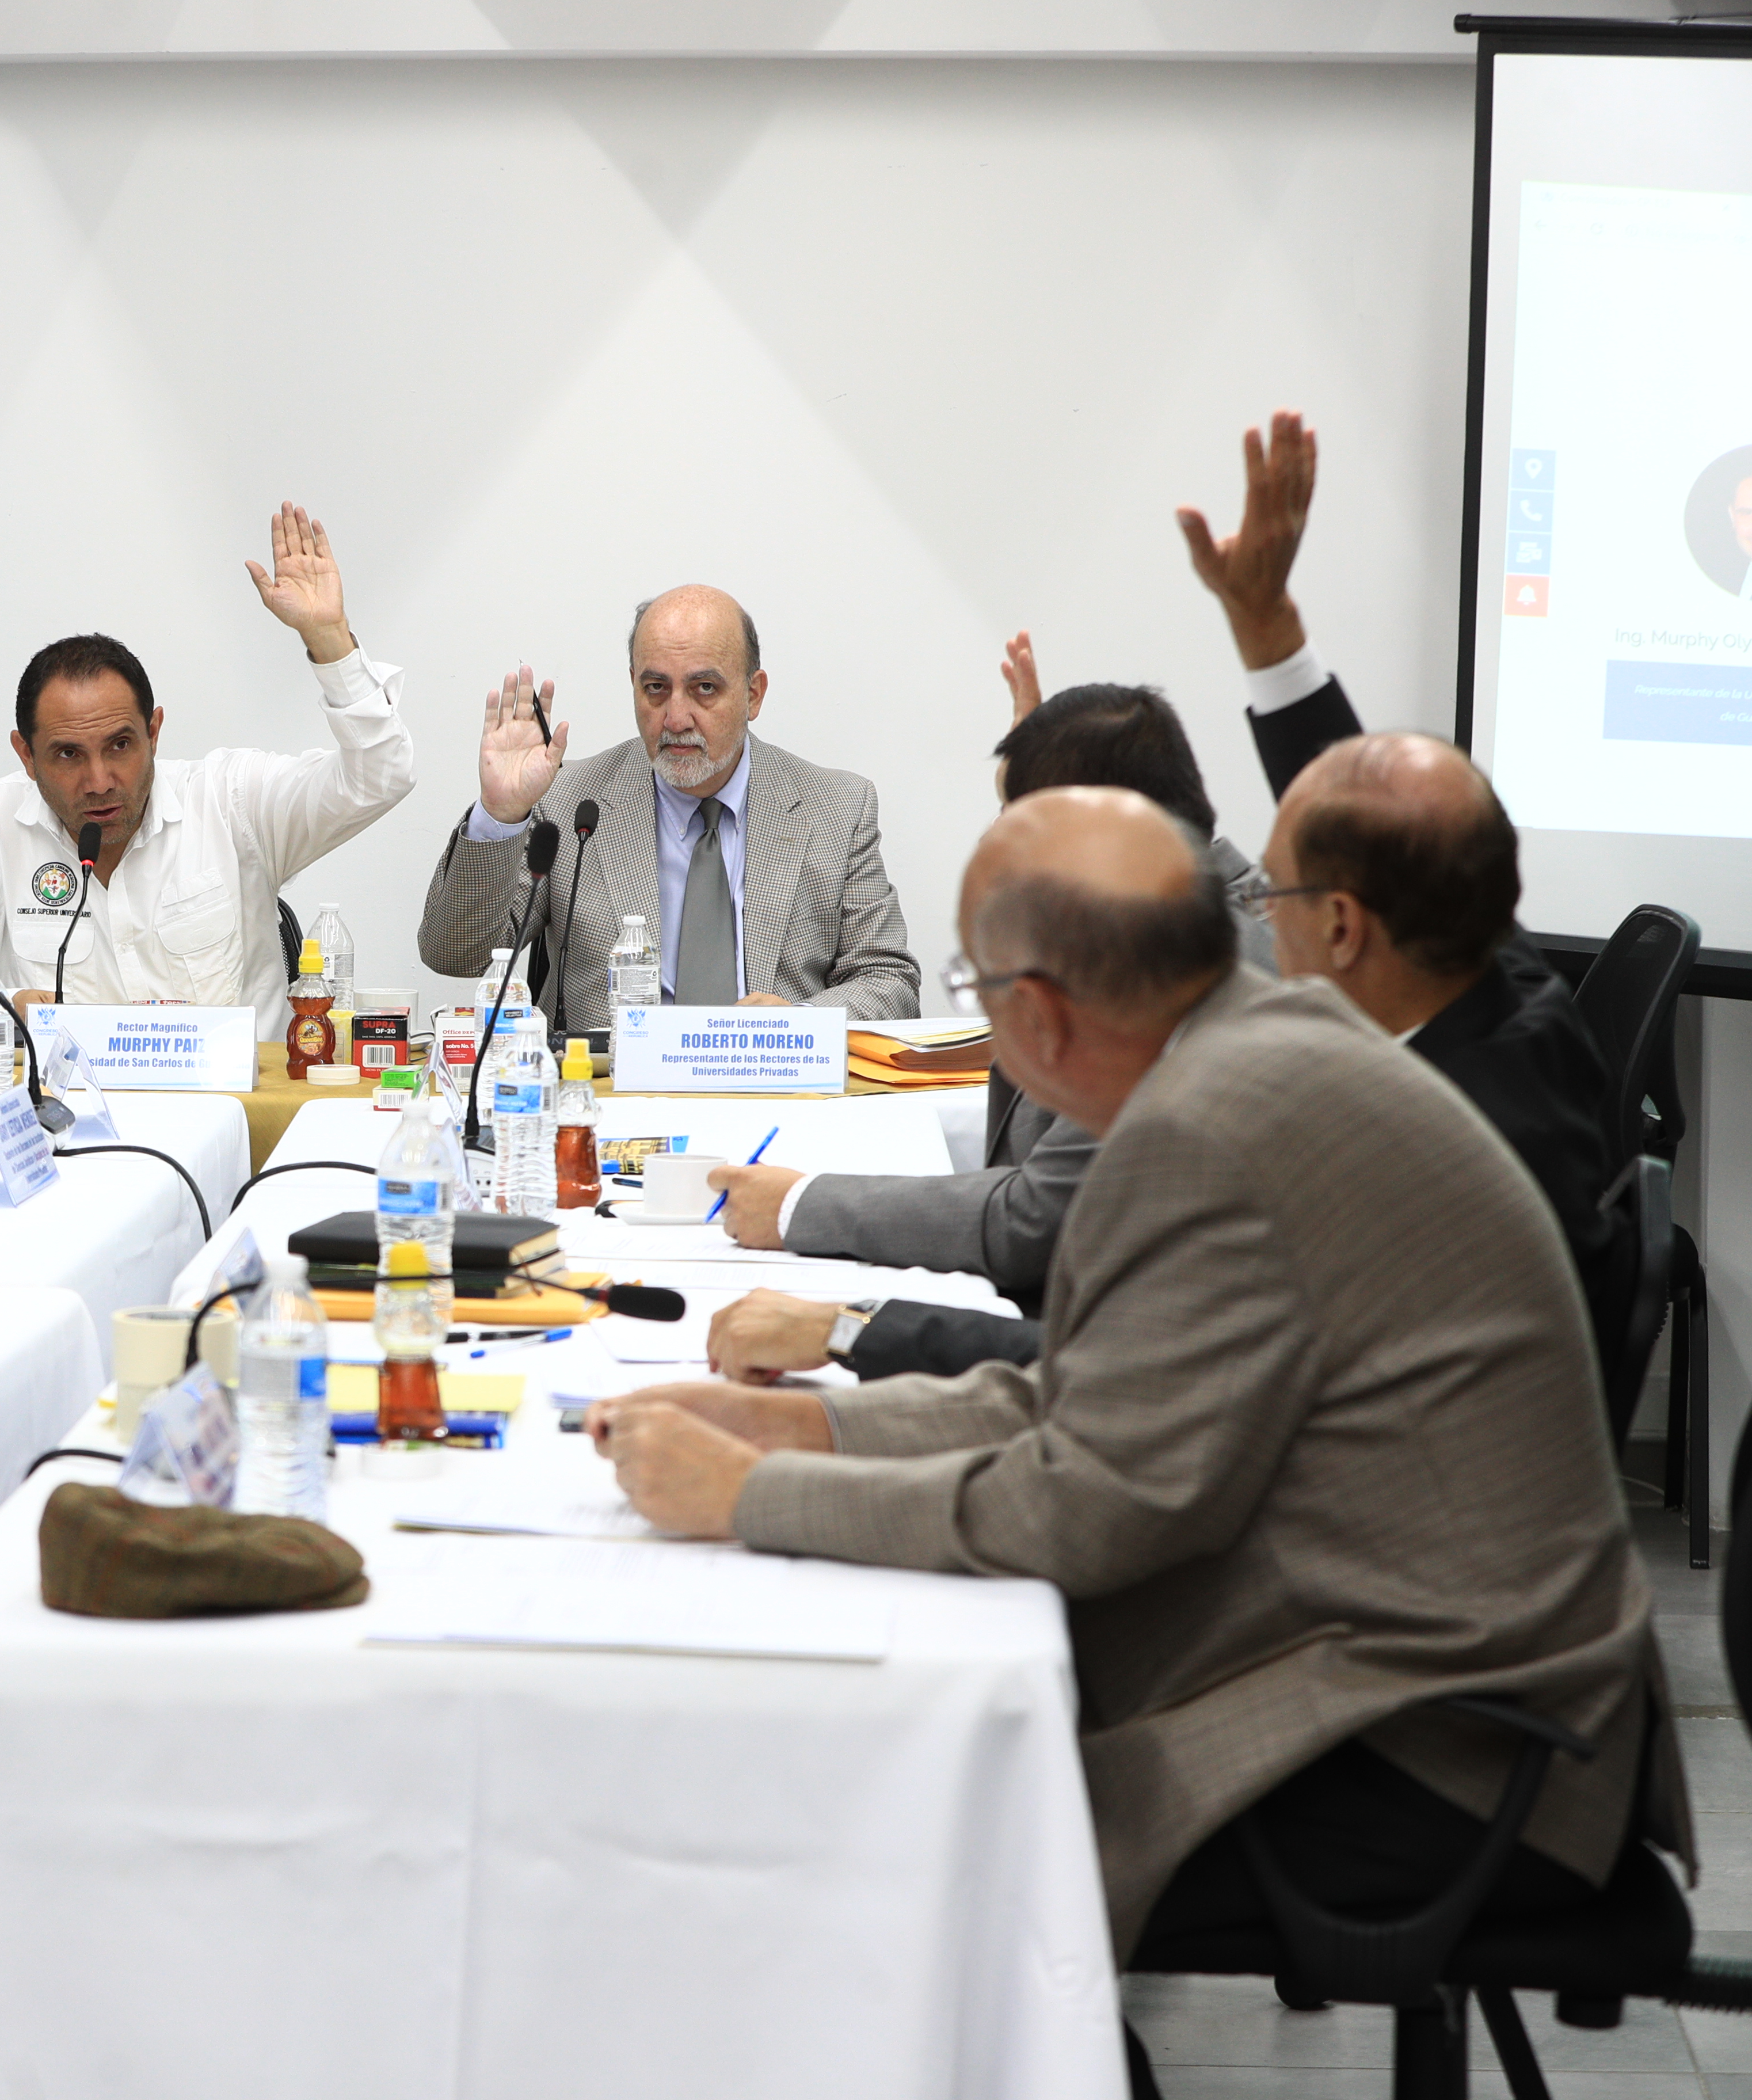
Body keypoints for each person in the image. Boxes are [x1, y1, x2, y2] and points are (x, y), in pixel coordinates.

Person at [589, 785, 1686, 1968]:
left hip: (1440, 1750)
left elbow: (1085, 1508)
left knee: (894, 1855)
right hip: (1432, 1670)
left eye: (980, 995)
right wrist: (806, 1434)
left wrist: (747, 1496)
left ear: (1044, 1017)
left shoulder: (1208, 1125)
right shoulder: (1242, 1049)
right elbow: (1083, 1391)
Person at [711, 412, 1631, 1395]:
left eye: (1267, 889)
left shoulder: (1383, 1164)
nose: (1244, 907)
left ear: (1343, 924)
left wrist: (851, 1327)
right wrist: (1268, 635)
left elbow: (1137, 1368)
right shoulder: (1508, 994)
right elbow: (1377, 825)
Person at [703, 665, 1278, 1330]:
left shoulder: (1188, 968)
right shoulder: (1193, 917)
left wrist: (799, 1208)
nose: (995, 841)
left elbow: (1031, 1219)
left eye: (1017, 817)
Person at [0, 503, 416, 1036]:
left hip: (236, 1118)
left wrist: (329, 641)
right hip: (71, 1121)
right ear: (25, 756)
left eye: (121, 745)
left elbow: (379, 777)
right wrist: (2, 1006)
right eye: (67, 755)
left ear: (154, 733)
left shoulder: (232, 804)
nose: (100, 780)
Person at [416, 585, 918, 1028]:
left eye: (705, 689)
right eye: (656, 689)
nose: (676, 718)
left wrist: (801, 1024)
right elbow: (455, 954)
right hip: (613, 1101)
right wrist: (501, 815)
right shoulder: (571, 803)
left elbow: (889, 981)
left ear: (753, 694)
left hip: (777, 1094)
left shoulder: (835, 809)